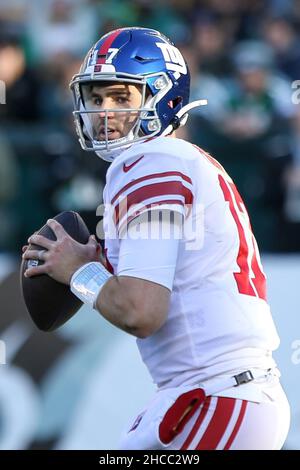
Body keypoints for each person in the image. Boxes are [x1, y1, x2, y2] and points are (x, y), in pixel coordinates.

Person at [22, 27, 290, 450]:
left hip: (215, 396)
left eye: (120, 96)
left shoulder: (150, 160)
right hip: (209, 393)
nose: (104, 111)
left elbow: (141, 312)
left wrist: (81, 272)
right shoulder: (172, 160)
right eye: (96, 97)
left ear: (165, 98)